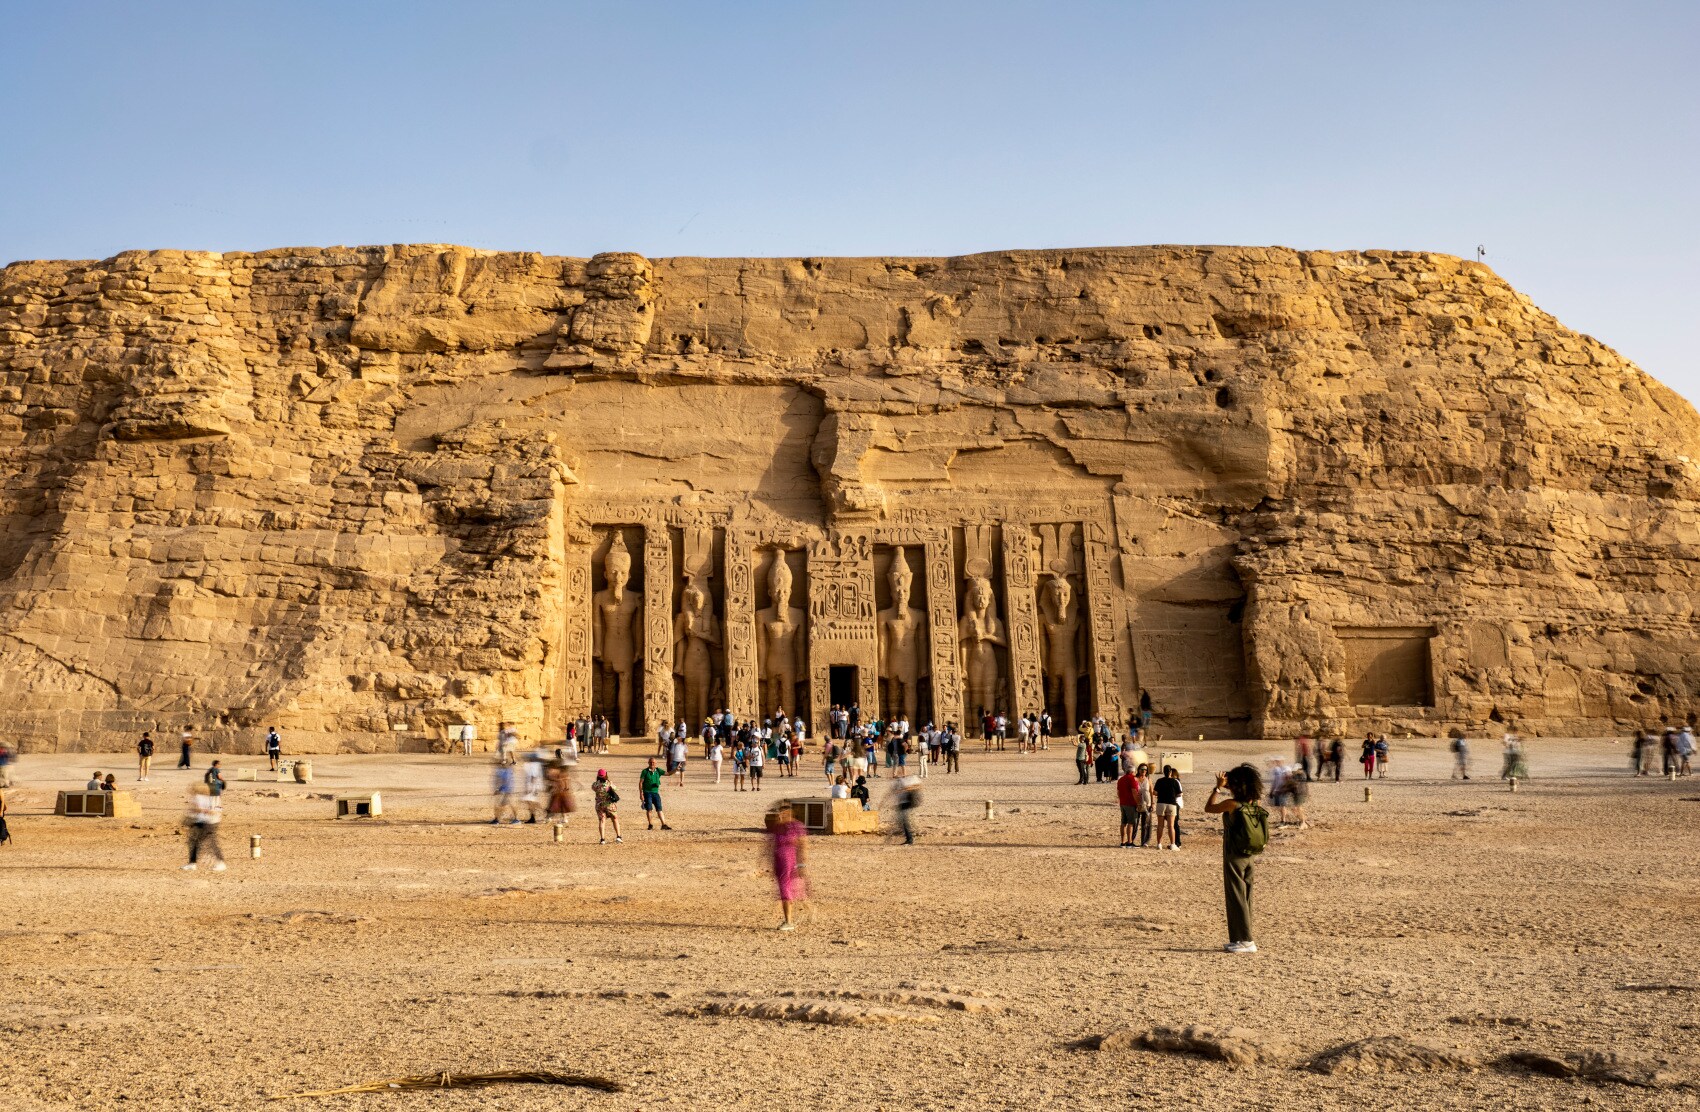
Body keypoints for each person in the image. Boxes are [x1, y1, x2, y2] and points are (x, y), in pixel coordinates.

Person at [1205, 764, 1268, 954]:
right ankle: (1241, 938)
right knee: (1246, 896)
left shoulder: (1232, 804)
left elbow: (1209, 808)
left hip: (1234, 857)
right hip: (1249, 855)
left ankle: (1246, 941)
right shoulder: (1253, 803)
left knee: (1236, 897)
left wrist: (1217, 787)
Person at [769, 805, 808, 931]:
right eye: (779, 814)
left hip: (790, 863)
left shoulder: (796, 827)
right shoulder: (778, 828)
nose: (780, 817)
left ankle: (788, 921)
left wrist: (801, 864)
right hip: (780, 863)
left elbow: (803, 846)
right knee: (788, 890)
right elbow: (772, 847)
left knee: (786, 890)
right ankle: (795, 916)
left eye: (784, 814)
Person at [181, 782, 226, 871]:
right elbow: (219, 809)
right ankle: (192, 863)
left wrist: (199, 811)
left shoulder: (197, 797)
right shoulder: (212, 797)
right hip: (210, 822)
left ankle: (220, 863)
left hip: (206, 822)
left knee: (209, 843)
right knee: (195, 842)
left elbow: (197, 809)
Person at [1153, 764, 1183, 850]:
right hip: (1171, 804)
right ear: (1170, 772)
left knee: (1160, 825)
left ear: (1163, 772)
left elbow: (1154, 792)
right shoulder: (1174, 781)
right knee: (1171, 826)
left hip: (1161, 803)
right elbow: (1180, 793)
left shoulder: (1159, 780)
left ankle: (1159, 844)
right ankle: (1173, 844)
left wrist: (1161, 794)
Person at [640, 757, 672, 830]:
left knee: (659, 809)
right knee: (649, 809)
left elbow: (669, 774)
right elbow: (641, 782)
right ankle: (650, 824)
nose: (652, 764)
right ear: (648, 763)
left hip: (655, 793)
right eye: (651, 762)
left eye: (653, 762)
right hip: (647, 793)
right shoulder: (645, 771)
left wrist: (676, 769)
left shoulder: (658, 770)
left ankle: (663, 824)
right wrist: (641, 793)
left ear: (655, 763)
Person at [592, 769, 622, 843]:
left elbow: (594, 788)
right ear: (606, 775)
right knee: (615, 819)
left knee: (602, 821)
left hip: (599, 805)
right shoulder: (609, 783)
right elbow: (615, 788)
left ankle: (602, 839)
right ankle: (618, 837)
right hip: (609, 805)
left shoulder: (595, 784)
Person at [1115, 762, 1141, 847]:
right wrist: (1138, 803)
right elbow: (1134, 792)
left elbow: (1118, 792)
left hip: (1123, 803)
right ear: (1133, 772)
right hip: (1130, 803)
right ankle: (1129, 842)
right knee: (1131, 823)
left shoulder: (1121, 779)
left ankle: (1123, 842)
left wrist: (1121, 800)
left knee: (1123, 823)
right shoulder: (1132, 779)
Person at [891, 774, 921, 845]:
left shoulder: (911, 779)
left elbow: (918, 786)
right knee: (903, 821)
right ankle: (910, 836)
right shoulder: (897, 782)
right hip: (902, 803)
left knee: (904, 821)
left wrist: (906, 788)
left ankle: (910, 838)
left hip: (907, 803)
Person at [546, 760, 576, 827]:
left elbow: (557, 783)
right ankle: (564, 818)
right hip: (564, 792)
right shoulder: (565, 775)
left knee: (553, 806)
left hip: (559, 793)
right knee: (562, 807)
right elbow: (567, 785)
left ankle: (549, 818)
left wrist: (554, 789)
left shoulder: (558, 774)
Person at [490, 760, 518, 825]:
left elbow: (506, 782)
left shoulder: (507, 772)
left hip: (506, 791)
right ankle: (497, 819)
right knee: (504, 805)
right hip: (505, 791)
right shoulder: (505, 771)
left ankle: (497, 819)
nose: (501, 765)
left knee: (500, 806)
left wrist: (498, 790)